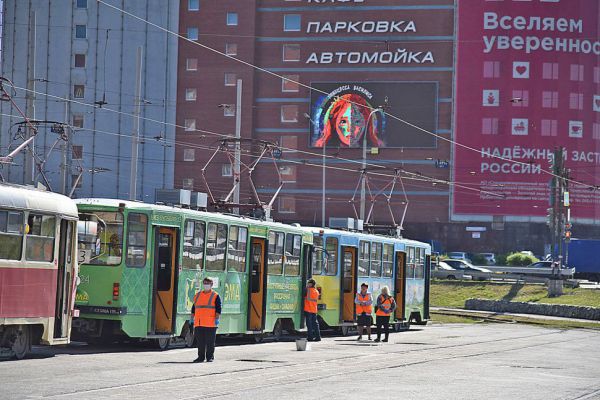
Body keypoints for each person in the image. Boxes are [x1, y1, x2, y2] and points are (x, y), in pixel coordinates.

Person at [190, 277, 221, 363]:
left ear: (211, 285)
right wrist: (191, 319)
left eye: (208, 283)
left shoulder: (215, 296)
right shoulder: (198, 295)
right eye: (204, 283)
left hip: (210, 323)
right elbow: (194, 308)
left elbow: (218, 309)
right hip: (199, 323)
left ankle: (210, 357)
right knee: (200, 342)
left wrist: (217, 319)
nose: (206, 284)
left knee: (210, 342)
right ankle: (200, 357)